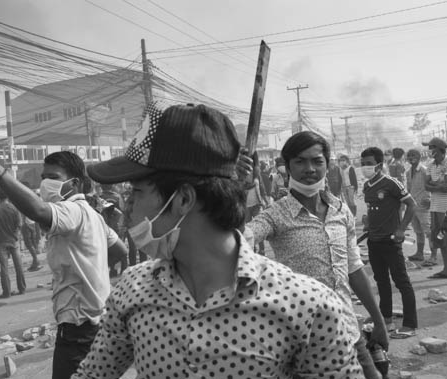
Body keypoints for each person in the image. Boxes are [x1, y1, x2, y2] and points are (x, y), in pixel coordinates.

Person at [72, 102, 363, 378]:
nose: (127, 207)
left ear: (183, 198)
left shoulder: (308, 306)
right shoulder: (131, 292)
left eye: (136, 192)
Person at [0, 148, 127, 379]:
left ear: (75, 183)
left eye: (53, 177)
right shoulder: (92, 213)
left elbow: (38, 210)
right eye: (43, 178)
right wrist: (91, 270)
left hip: (77, 327)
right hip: (97, 322)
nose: (46, 183)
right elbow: (120, 250)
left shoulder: (73, 210)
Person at [242, 131, 387, 379]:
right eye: (299, 161)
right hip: (302, 341)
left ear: (326, 164)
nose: (309, 169)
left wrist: (379, 321)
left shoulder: (340, 211)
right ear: (287, 167)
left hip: (349, 331)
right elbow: (239, 239)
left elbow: (353, 269)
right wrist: (239, 190)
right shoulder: (275, 215)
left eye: (317, 161)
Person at [361, 146, 418, 338]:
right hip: (374, 241)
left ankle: (410, 324)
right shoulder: (367, 186)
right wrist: (368, 222)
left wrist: (401, 229)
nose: (365, 167)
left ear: (379, 164)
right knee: (381, 281)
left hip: (391, 241)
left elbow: (411, 205)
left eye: (369, 164)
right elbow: (372, 209)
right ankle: (385, 318)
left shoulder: (391, 183)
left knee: (401, 281)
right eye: (363, 164)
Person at [0, 188, 26, 298]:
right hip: (13, 240)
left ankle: (6, 292)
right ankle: (22, 288)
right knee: (18, 266)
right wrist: (15, 235)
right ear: (8, 196)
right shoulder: (14, 208)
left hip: (1, 240)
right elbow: (19, 225)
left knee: (4, 268)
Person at [405, 149, 435, 265]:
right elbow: (408, 188)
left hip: (424, 205)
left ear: (419, 157)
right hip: (413, 205)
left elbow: (432, 185)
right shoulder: (408, 172)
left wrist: (430, 199)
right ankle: (419, 253)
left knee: (428, 231)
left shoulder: (424, 171)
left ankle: (433, 256)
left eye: (413, 155)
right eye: (409, 156)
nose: (411, 157)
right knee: (418, 231)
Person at [423, 137, 447, 279]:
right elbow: (426, 185)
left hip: (445, 208)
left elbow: (446, 188)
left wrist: (434, 185)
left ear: (440, 149)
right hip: (436, 207)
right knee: (441, 240)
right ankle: (445, 269)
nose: (429, 150)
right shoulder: (431, 165)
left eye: (432, 147)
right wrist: (437, 185)